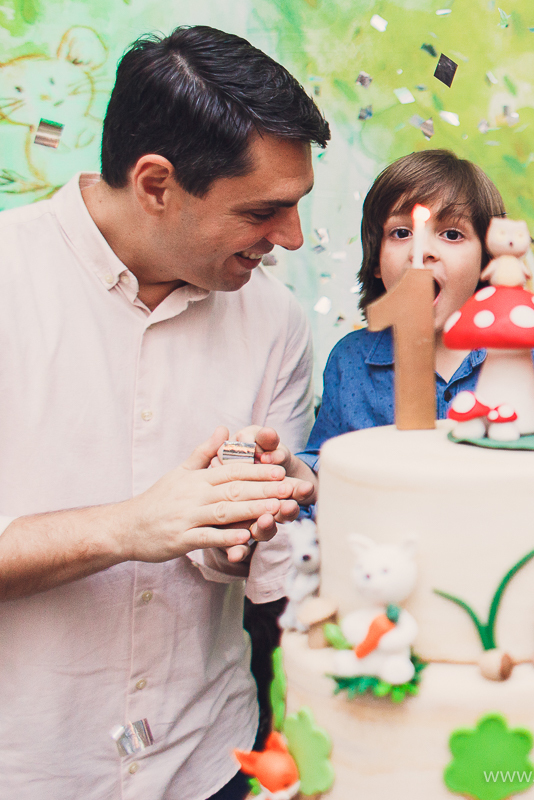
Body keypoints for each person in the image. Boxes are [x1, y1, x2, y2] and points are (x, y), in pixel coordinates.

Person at [0, 26, 329, 800]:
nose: (290, 238)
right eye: (264, 211)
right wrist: (129, 528)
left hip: (211, 763)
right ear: (155, 183)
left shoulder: (275, 322)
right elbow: (149, 526)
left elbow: (234, 567)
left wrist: (252, 519)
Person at [295, 150, 534, 471]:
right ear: (376, 260)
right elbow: (323, 463)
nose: (423, 252)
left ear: (485, 260)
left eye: (452, 235)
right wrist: (295, 473)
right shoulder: (349, 362)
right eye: (401, 233)